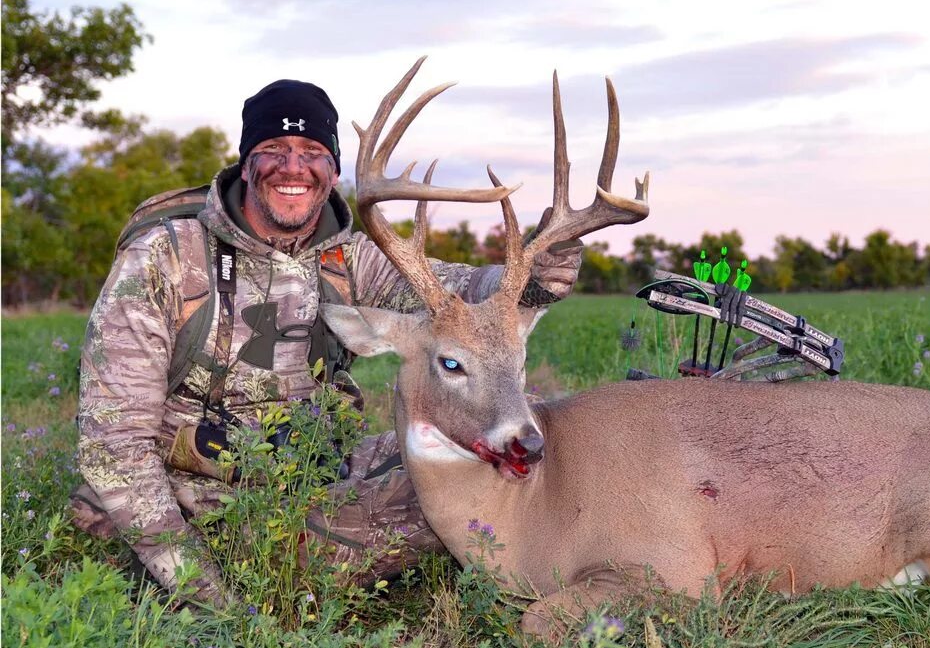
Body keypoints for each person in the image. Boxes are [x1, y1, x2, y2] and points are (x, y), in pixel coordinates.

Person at [70, 79, 583, 607]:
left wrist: (536, 277)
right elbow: (115, 443)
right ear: (246, 164)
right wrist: (206, 595)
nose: (293, 167)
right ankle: (229, 564)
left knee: (500, 443)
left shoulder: (349, 259)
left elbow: (463, 297)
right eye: (272, 150)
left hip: (318, 472)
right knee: (439, 511)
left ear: (333, 171)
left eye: (312, 152)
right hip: (195, 489)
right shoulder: (166, 258)